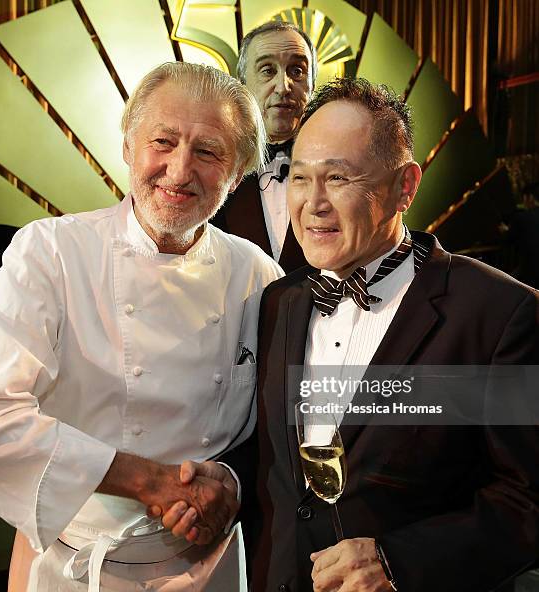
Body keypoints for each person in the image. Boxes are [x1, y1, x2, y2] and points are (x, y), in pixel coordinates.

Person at [167, 77, 539, 591]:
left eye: (338, 178)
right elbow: (275, 453)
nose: (312, 203)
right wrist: (225, 480)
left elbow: (527, 500)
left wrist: (398, 562)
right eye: (299, 178)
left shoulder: (497, 314)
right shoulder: (280, 301)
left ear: (405, 186)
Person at [0, 62, 282, 591]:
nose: (179, 169)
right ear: (127, 145)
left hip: (211, 565)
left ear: (236, 175)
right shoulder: (50, 253)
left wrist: (229, 483)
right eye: (162, 141)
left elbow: (281, 424)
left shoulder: (257, 272)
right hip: (78, 565)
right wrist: (152, 483)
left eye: (208, 152)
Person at [211, 21, 317, 273]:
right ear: (242, 85)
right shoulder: (212, 172)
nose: (283, 87)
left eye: (297, 71)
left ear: (313, 84)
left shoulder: (347, 173)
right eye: (268, 70)